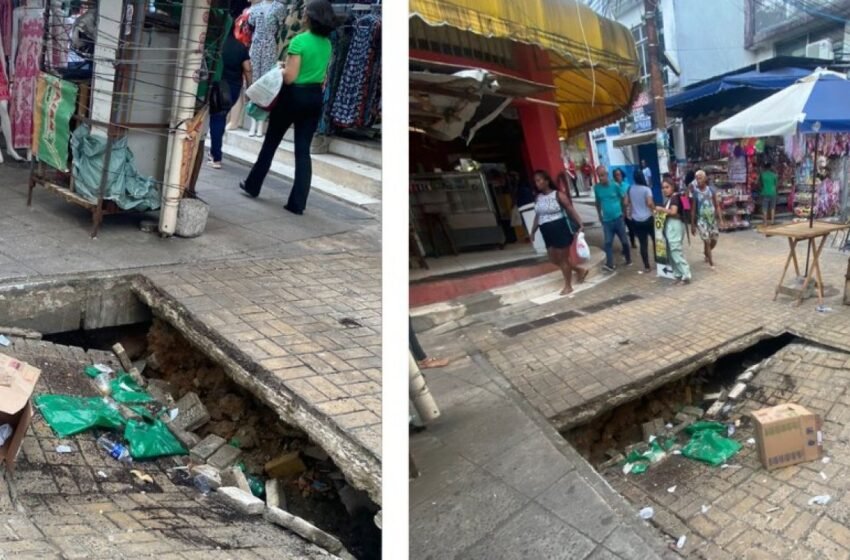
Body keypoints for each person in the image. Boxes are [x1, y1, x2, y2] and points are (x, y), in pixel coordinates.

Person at [239, 0, 336, 215]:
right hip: (314, 97)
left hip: (293, 96)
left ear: (311, 17)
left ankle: (253, 184)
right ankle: (297, 203)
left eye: (306, 13)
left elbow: (291, 78)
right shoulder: (327, 44)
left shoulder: (299, 41)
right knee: (303, 151)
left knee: (271, 142)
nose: (303, 15)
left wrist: (280, 69)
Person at [530, 170, 589, 295]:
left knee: (563, 259)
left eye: (540, 180)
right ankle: (579, 270)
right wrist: (533, 231)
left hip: (559, 228)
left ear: (547, 181)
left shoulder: (558, 195)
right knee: (553, 258)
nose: (537, 183)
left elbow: (570, 209)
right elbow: (538, 215)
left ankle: (568, 286)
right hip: (546, 230)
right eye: (536, 181)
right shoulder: (538, 198)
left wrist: (580, 223)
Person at [209, 31, 252, 169]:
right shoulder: (240, 47)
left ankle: (216, 156)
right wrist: (249, 87)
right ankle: (215, 154)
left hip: (214, 84)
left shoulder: (214, 43)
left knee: (216, 119)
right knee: (220, 118)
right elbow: (247, 68)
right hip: (232, 87)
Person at [594, 166, 632, 272]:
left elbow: (624, 196)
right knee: (607, 242)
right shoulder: (597, 188)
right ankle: (610, 264)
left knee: (624, 241)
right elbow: (597, 202)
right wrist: (599, 215)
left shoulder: (615, 186)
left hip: (618, 218)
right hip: (607, 221)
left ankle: (628, 259)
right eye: (599, 176)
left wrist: (624, 209)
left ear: (607, 174)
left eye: (603, 175)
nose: (601, 178)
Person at [657, 178, 691, 285]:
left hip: (674, 226)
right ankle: (678, 274)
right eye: (663, 188)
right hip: (671, 227)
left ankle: (686, 275)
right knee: (671, 251)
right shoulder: (671, 199)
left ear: (672, 187)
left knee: (675, 250)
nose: (664, 190)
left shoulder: (675, 198)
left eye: (667, 187)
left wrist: (662, 210)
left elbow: (673, 212)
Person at [691, 170, 725, 269]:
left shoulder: (711, 190)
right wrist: (693, 225)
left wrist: (721, 219)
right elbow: (693, 209)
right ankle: (711, 263)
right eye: (697, 178)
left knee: (714, 239)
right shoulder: (695, 193)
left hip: (712, 220)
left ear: (705, 179)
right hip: (701, 220)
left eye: (700, 178)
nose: (698, 180)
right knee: (706, 240)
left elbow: (717, 205)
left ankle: (706, 252)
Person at [627, 170, 656, 274]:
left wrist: (630, 213)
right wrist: (655, 209)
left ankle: (647, 266)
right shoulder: (646, 189)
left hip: (636, 220)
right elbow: (649, 203)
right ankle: (658, 261)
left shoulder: (630, 189)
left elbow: (627, 202)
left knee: (643, 244)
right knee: (655, 240)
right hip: (648, 218)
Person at [614, 168, 636, 249]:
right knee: (621, 230)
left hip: (627, 210)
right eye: (616, 175)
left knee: (631, 228)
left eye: (619, 174)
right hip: (618, 211)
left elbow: (631, 197)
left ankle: (633, 242)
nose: (618, 176)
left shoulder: (627, 185)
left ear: (622, 175)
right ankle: (625, 246)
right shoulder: (613, 186)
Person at [759, 161, 778, 226]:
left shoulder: (762, 175)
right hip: (773, 193)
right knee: (772, 207)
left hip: (765, 193)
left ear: (764, 168)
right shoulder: (774, 175)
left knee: (765, 208)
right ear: (770, 168)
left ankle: (765, 222)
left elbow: (760, 184)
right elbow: (776, 185)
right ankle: (772, 221)